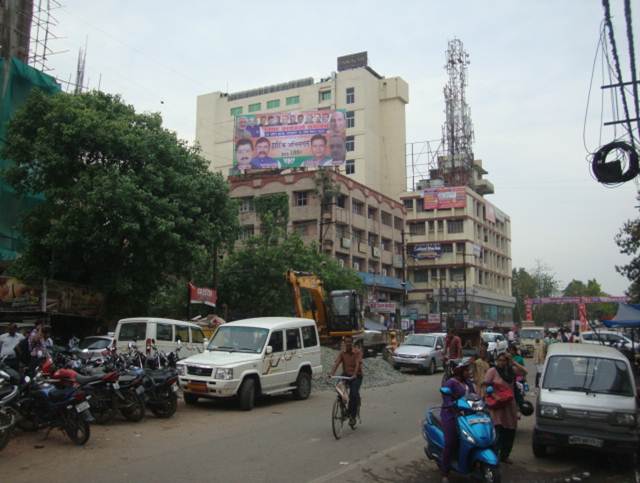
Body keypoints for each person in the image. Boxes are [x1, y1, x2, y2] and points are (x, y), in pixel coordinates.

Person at [484, 352, 527, 464]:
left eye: (504, 360)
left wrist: (513, 362)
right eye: (500, 360)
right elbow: (485, 386)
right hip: (497, 406)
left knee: (510, 431)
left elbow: (524, 372)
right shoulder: (492, 371)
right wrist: (495, 396)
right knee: (498, 431)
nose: (502, 362)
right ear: (497, 360)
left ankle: (505, 456)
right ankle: (494, 456)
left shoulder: (511, 371)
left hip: (510, 406)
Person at [440, 358, 476, 483]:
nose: (469, 372)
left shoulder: (468, 383)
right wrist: (454, 406)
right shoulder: (451, 383)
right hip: (451, 414)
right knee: (450, 442)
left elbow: (474, 396)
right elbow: (447, 400)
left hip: (467, 414)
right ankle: (445, 472)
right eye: (466, 370)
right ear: (460, 371)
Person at [330, 336, 363, 428]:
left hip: (356, 376)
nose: (348, 343)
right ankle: (342, 404)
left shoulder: (357, 352)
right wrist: (331, 374)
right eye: (346, 342)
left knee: (353, 394)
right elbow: (336, 364)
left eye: (350, 342)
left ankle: (352, 416)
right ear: (344, 343)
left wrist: (355, 374)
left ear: (352, 343)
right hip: (346, 374)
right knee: (338, 387)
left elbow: (357, 364)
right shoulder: (342, 353)